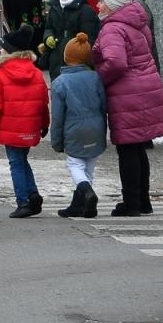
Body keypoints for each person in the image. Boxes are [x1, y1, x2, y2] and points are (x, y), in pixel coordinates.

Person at [93, 0, 163, 215]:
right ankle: (143, 200)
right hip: (146, 88)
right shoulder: (136, 22)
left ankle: (132, 203)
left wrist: (99, 78)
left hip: (128, 93)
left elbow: (115, 63)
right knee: (137, 148)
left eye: (102, 0)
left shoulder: (113, 28)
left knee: (127, 149)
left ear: (113, 4)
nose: (98, 4)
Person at [0, 26, 49, 218]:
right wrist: (44, 124)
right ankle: (33, 194)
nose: (1, 49)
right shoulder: (36, 73)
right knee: (21, 160)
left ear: (10, 51)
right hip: (29, 127)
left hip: (9, 128)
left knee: (16, 163)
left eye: (4, 47)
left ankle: (24, 201)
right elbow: (43, 102)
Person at [52, 32, 108, 217]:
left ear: (67, 57)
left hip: (74, 129)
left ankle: (86, 191)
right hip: (96, 126)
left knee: (75, 164)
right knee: (89, 166)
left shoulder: (60, 83)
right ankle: (81, 205)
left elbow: (58, 116)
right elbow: (103, 105)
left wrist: (57, 141)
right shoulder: (96, 77)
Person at [40, 0, 99, 80]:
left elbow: (89, 38)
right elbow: (48, 27)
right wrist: (48, 37)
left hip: (75, 61)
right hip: (56, 58)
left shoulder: (86, 11)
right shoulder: (55, 7)